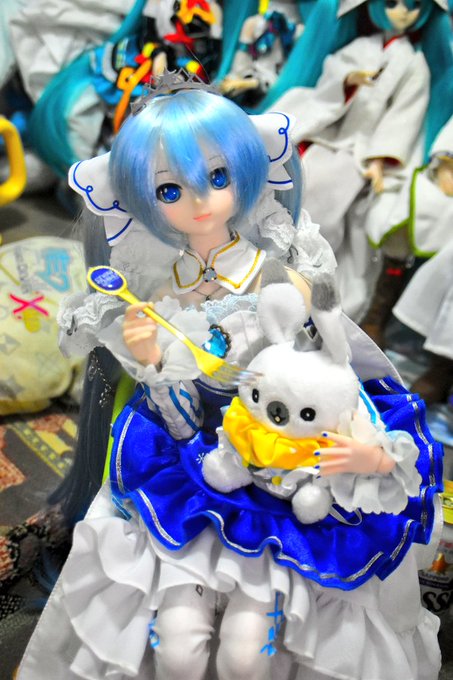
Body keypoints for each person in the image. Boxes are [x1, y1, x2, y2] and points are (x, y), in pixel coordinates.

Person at [18, 76, 442, 680]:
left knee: (250, 652)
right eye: (169, 190)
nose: (200, 202)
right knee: (178, 649)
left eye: (219, 177)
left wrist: (368, 454)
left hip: (295, 450)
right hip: (200, 457)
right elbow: (177, 413)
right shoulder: (163, 295)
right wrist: (153, 361)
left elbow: (330, 371)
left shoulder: (282, 270)